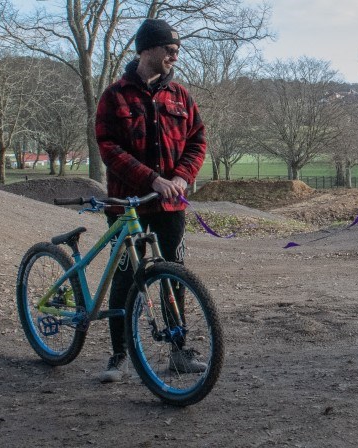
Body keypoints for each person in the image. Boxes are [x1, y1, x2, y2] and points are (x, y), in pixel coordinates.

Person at [95, 18, 207, 382]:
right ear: (146, 49)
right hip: (126, 205)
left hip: (170, 206)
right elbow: (108, 147)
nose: (175, 55)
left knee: (174, 274)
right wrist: (152, 180)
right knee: (126, 277)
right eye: (169, 49)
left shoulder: (181, 96)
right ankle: (119, 355)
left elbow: (197, 140)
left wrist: (179, 177)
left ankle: (177, 352)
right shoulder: (115, 95)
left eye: (177, 50)